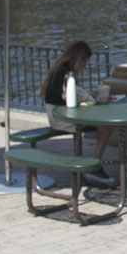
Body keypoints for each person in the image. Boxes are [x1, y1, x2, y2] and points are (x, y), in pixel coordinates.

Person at [41, 41, 116, 188]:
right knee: (107, 127)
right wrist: (91, 101)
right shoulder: (66, 75)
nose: (85, 65)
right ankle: (94, 165)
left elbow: (69, 97)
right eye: (85, 61)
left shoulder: (58, 71)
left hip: (57, 115)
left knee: (107, 126)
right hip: (62, 119)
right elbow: (71, 101)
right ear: (79, 59)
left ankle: (96, 164)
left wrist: (91, 95)